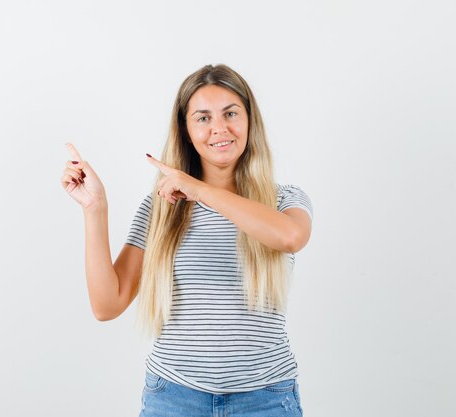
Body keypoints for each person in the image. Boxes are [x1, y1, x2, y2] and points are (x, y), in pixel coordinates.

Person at [61, 64, 313, 417]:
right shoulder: (161, 208)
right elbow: (107, 305)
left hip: (266, 399)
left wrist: (199, 189)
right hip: (174, 399)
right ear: (186, 130)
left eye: (230, 113)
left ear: (249, 120)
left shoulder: (284, 199)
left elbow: (290, 236)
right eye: (203, 118)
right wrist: (95, 209)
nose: (219, 128)